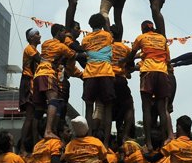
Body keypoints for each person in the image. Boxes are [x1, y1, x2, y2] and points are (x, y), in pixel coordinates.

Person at [124, 20, 173, 146]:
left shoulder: (141, 37)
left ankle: (149, 143)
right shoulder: (162, 39)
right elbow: (168, 60)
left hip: (148, 73)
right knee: (162, 109)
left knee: (146, 108)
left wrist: (124, 63)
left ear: (142, 29)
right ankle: (163, 142)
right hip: (162, 72)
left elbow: (131, 55)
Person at [34, 24, 78, 139]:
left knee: (38, 111)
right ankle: (49, 131)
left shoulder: (45, 44)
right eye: (64, 32)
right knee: (54, 100)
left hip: (38, 74)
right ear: (59, 32)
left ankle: (36, 140)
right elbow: (74, 55)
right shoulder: (62, 47)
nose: (65, 35)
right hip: (48, 73)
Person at [79, 14, 116, 143]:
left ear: (90, 25)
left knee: (89, 106)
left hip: (90, 74)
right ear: (102, 25)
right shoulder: (108, 36)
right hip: (106, 73)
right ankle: (105, 143)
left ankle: (88, 138)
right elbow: (108, 30)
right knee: (108, 107)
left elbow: (82, 50)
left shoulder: (86, 38)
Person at [110, 24, 135, 140]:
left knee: (108, 108)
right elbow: (131, 66)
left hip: (108, 79)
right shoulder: (126, 49)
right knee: (129, 106)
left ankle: (106, 137)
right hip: (120, 79)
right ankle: (125, 135)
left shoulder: (106, 47)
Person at [20, 28, 42, 151]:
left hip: (32, 82)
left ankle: (33, 144)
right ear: (31, 37)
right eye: (37, 34)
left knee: (33, 115)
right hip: (28, 82)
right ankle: (23, 146)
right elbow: (41, 60)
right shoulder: (30, 49)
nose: (40, 36)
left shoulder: (33, 49)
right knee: (30, 116)